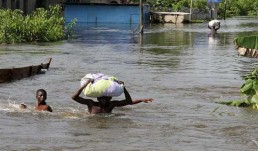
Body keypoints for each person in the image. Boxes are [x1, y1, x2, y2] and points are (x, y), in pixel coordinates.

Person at [71, 79, 153, 114]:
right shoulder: (91, 104)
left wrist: (123, 87)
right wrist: (86, 84)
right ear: (97, 97)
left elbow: (128, 102)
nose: (103, 99)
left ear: (110, 98)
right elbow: (74, 97)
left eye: (106, 97)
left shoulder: (111, 105)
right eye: (101, 97)